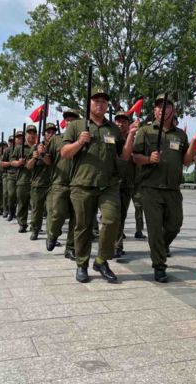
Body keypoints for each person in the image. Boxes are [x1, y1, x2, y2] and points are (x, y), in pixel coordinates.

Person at [60, 88, 138, 284]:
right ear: (89, 104)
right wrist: (79, 142)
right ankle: (82, 263)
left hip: (108, 185)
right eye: (96, 100)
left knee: (112, 220)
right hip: (82, 184)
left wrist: (130, 136)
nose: (100, 104)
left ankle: (102, 260)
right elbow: (64, 152)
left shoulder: (112, 129)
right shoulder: (77, 125)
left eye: (103, 101)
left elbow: (124, 156)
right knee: (83, 227)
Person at [132, 95, 196, 282]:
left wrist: (194, 142)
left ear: (173, 110)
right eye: (158, 107)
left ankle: (160, 248)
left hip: (172, 188)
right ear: (154, 111)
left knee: (175, 224)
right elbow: (135, 157)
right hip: (150, 188)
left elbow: (186, 161)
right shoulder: (145, 131)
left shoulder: (180, 135)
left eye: (166, 106)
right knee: (154, 229)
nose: (161, 110)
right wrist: (148, 159)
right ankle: (159, 265)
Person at [45, 109, 80, 259]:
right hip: (59, 182)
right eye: (68, 119)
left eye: (73, 119)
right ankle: (53, 234)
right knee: (57, 214)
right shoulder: (56, 139)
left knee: (76, 217)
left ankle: (70, 248)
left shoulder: (84, 138)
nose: (70, 122)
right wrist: (42, 154)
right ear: (64, 122)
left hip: (78, 183)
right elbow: (48, 161)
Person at [113, 112, 136, 258]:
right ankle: (115, 244)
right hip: (112, 183)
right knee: (113, 216)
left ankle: (117, 244)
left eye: (124, 122)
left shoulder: (135, 139)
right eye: (118, 122)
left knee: (121, 215)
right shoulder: (110, 138)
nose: (121, 124)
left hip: (127, 183)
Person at [27, 123, 56, 240]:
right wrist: (34, 157)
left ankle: (51, 235)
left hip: (51, 184)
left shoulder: (57, 147)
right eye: (48, 132)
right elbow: (28, 166)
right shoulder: (35, 147)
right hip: (37, 184)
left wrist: (43, 153)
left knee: (51, 211)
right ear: (44, 134)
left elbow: (49, 162)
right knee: (36, 210)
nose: (51, 134)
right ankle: (35, 230)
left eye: (53, 132)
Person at [11, 125, 37, 233]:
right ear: (26, 135)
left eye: (33, 133)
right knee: (22, 204)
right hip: (22, 179)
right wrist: (18, 163)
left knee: (36, 205)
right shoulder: (18, 148)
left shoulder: (39, 146)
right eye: (29, 133)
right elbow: (12, 161)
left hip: (36, 180)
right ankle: (22, 223)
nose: (31, 135)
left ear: (36, 134)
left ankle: (35, 226)